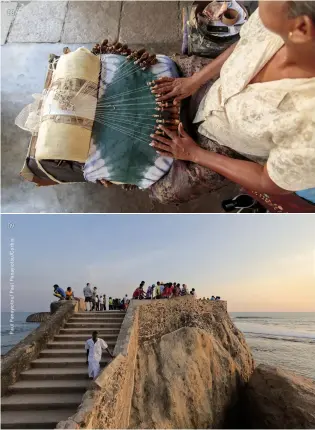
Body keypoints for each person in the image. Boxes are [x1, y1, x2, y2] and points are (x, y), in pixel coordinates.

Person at [149, 2, 315, 208]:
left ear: (302, 28)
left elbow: (269, 182)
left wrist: (195, 154)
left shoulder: (310, 132)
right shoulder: (282, 22)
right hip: (215, 84)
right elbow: (246, 40)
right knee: (154, 70)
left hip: (227, 146)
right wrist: (196, 80)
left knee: (163, 192)